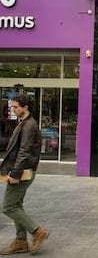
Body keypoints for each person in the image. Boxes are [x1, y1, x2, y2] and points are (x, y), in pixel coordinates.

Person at [0, 94, 50, 255]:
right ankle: (21, 242)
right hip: (21, 170)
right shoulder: (24, 123)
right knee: (16, 205)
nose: (13, 109)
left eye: (16, 107)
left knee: (8, 206)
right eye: (12, 106)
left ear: (25, 107)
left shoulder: (29, 125)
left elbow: (24, 151)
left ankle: (37, 231)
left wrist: (15, 173)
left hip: (21, 172)